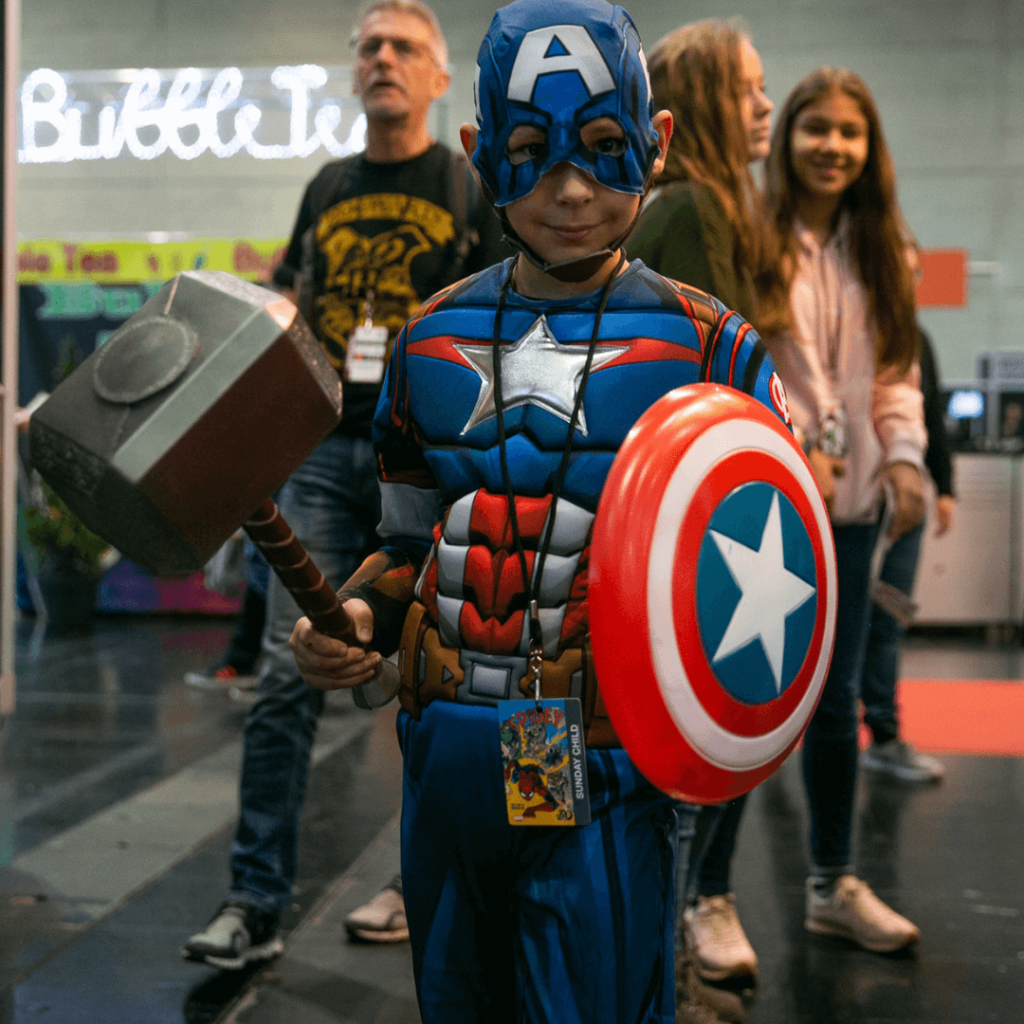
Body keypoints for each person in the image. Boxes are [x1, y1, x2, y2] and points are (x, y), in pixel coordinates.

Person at [289, 1, 796, 1020]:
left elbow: (764, 586)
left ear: (652, 145)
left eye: (603, 147)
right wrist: (352, 618)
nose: (569, 187)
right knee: (456, 993)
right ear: (483, 154)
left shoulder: (715, 352)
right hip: (447, 747)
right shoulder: (428, 341)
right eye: (532, 150)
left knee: (598, 997)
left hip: (603, 753)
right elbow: (407, 543)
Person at [181, 0, 508, 969]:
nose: (382, 59)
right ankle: (254, 897)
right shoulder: (326, 184)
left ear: (440, 78)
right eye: (368, 46)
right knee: (295, 668)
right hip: (326, 451)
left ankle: (423, 881)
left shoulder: (468, 184)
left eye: (404, 46)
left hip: (434, 454)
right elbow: (292, 297)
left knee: (440, 675)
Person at [737, 66, 927, 953]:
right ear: (790, 138)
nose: (832, 147)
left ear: (869, 147)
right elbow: (739, 366)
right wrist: (789, 441)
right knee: (748, 690)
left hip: (852, 516)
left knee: (838, 697)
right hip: (767, 513)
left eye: (850, 132)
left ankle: (830, 882)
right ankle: (706, 896)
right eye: (817, 128)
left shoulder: (889, 248)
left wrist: (907, 461)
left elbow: (896, 379)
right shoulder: (752, 235)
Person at [627, 19, 776, 1017]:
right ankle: (656, 981)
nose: (766, 105)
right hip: (683, 531)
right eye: (749, 89)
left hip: (669, 522)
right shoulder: (689, 207)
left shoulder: (703, 205)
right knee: (681, 769)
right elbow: (717, 395)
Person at [860, 325, 954, 781]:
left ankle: (884, 733)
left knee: (888, 618)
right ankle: (799, 729)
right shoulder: (850, 323)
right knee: (828, 625)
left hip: (902, 499)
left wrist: (945, 488)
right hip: (851, 498)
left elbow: (929, 412)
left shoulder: (914, 337)